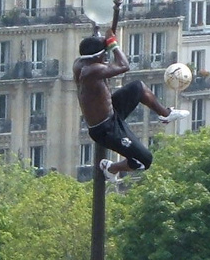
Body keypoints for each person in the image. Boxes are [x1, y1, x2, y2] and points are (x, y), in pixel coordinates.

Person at [73, 33, 187, 180]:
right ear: (97, 57)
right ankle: (111, 168)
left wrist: (102, 39)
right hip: (106, 129)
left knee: (138, 87)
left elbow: (97, 51)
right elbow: (124, 65)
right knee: (144, 160)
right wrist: (113, 44)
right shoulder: (92, 71)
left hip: (111, 111)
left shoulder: (80, 63)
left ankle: (165, 114)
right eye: (104, 55)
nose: (106, 58)